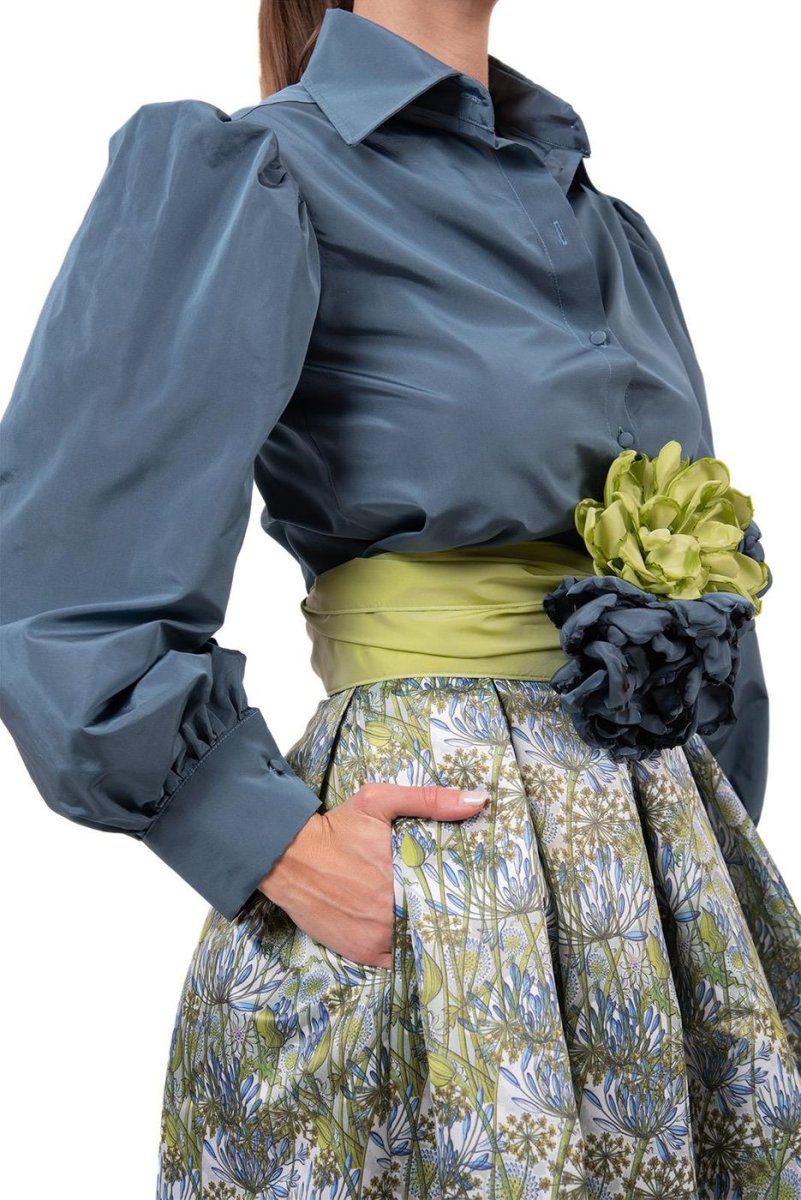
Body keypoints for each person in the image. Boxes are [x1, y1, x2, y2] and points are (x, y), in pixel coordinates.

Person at [1, 1, 799, 1196]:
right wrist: (270, 842)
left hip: (666, 910)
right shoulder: (261, 170)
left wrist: (701, 856)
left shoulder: (612, 231)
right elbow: (64, 575)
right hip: (440, 887)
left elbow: (701, 583)